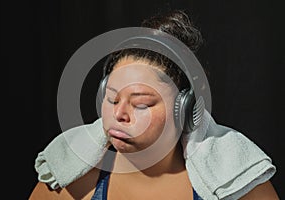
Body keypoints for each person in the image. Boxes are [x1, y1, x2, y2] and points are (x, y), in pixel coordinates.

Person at [29, 9, 279, 199]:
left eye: (140, 104)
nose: (119, 113)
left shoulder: (240, 186)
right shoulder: (68, 183)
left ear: (185, 106)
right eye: (112, 98)